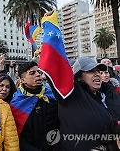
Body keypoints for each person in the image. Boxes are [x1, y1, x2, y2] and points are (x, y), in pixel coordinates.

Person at [38, 11, 120, 150]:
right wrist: (50, 25)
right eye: (90, 71)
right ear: (78, 76)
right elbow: (56, 63)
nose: (97, 75)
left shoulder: (106, 94)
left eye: (98, 71)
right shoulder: (71, 94)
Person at [10, 61, 60, 150]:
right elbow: (16, 135)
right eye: (32, 73)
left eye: (39, 72)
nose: (38, 75)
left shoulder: (51, 96)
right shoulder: (17, 103)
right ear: (23, 80)